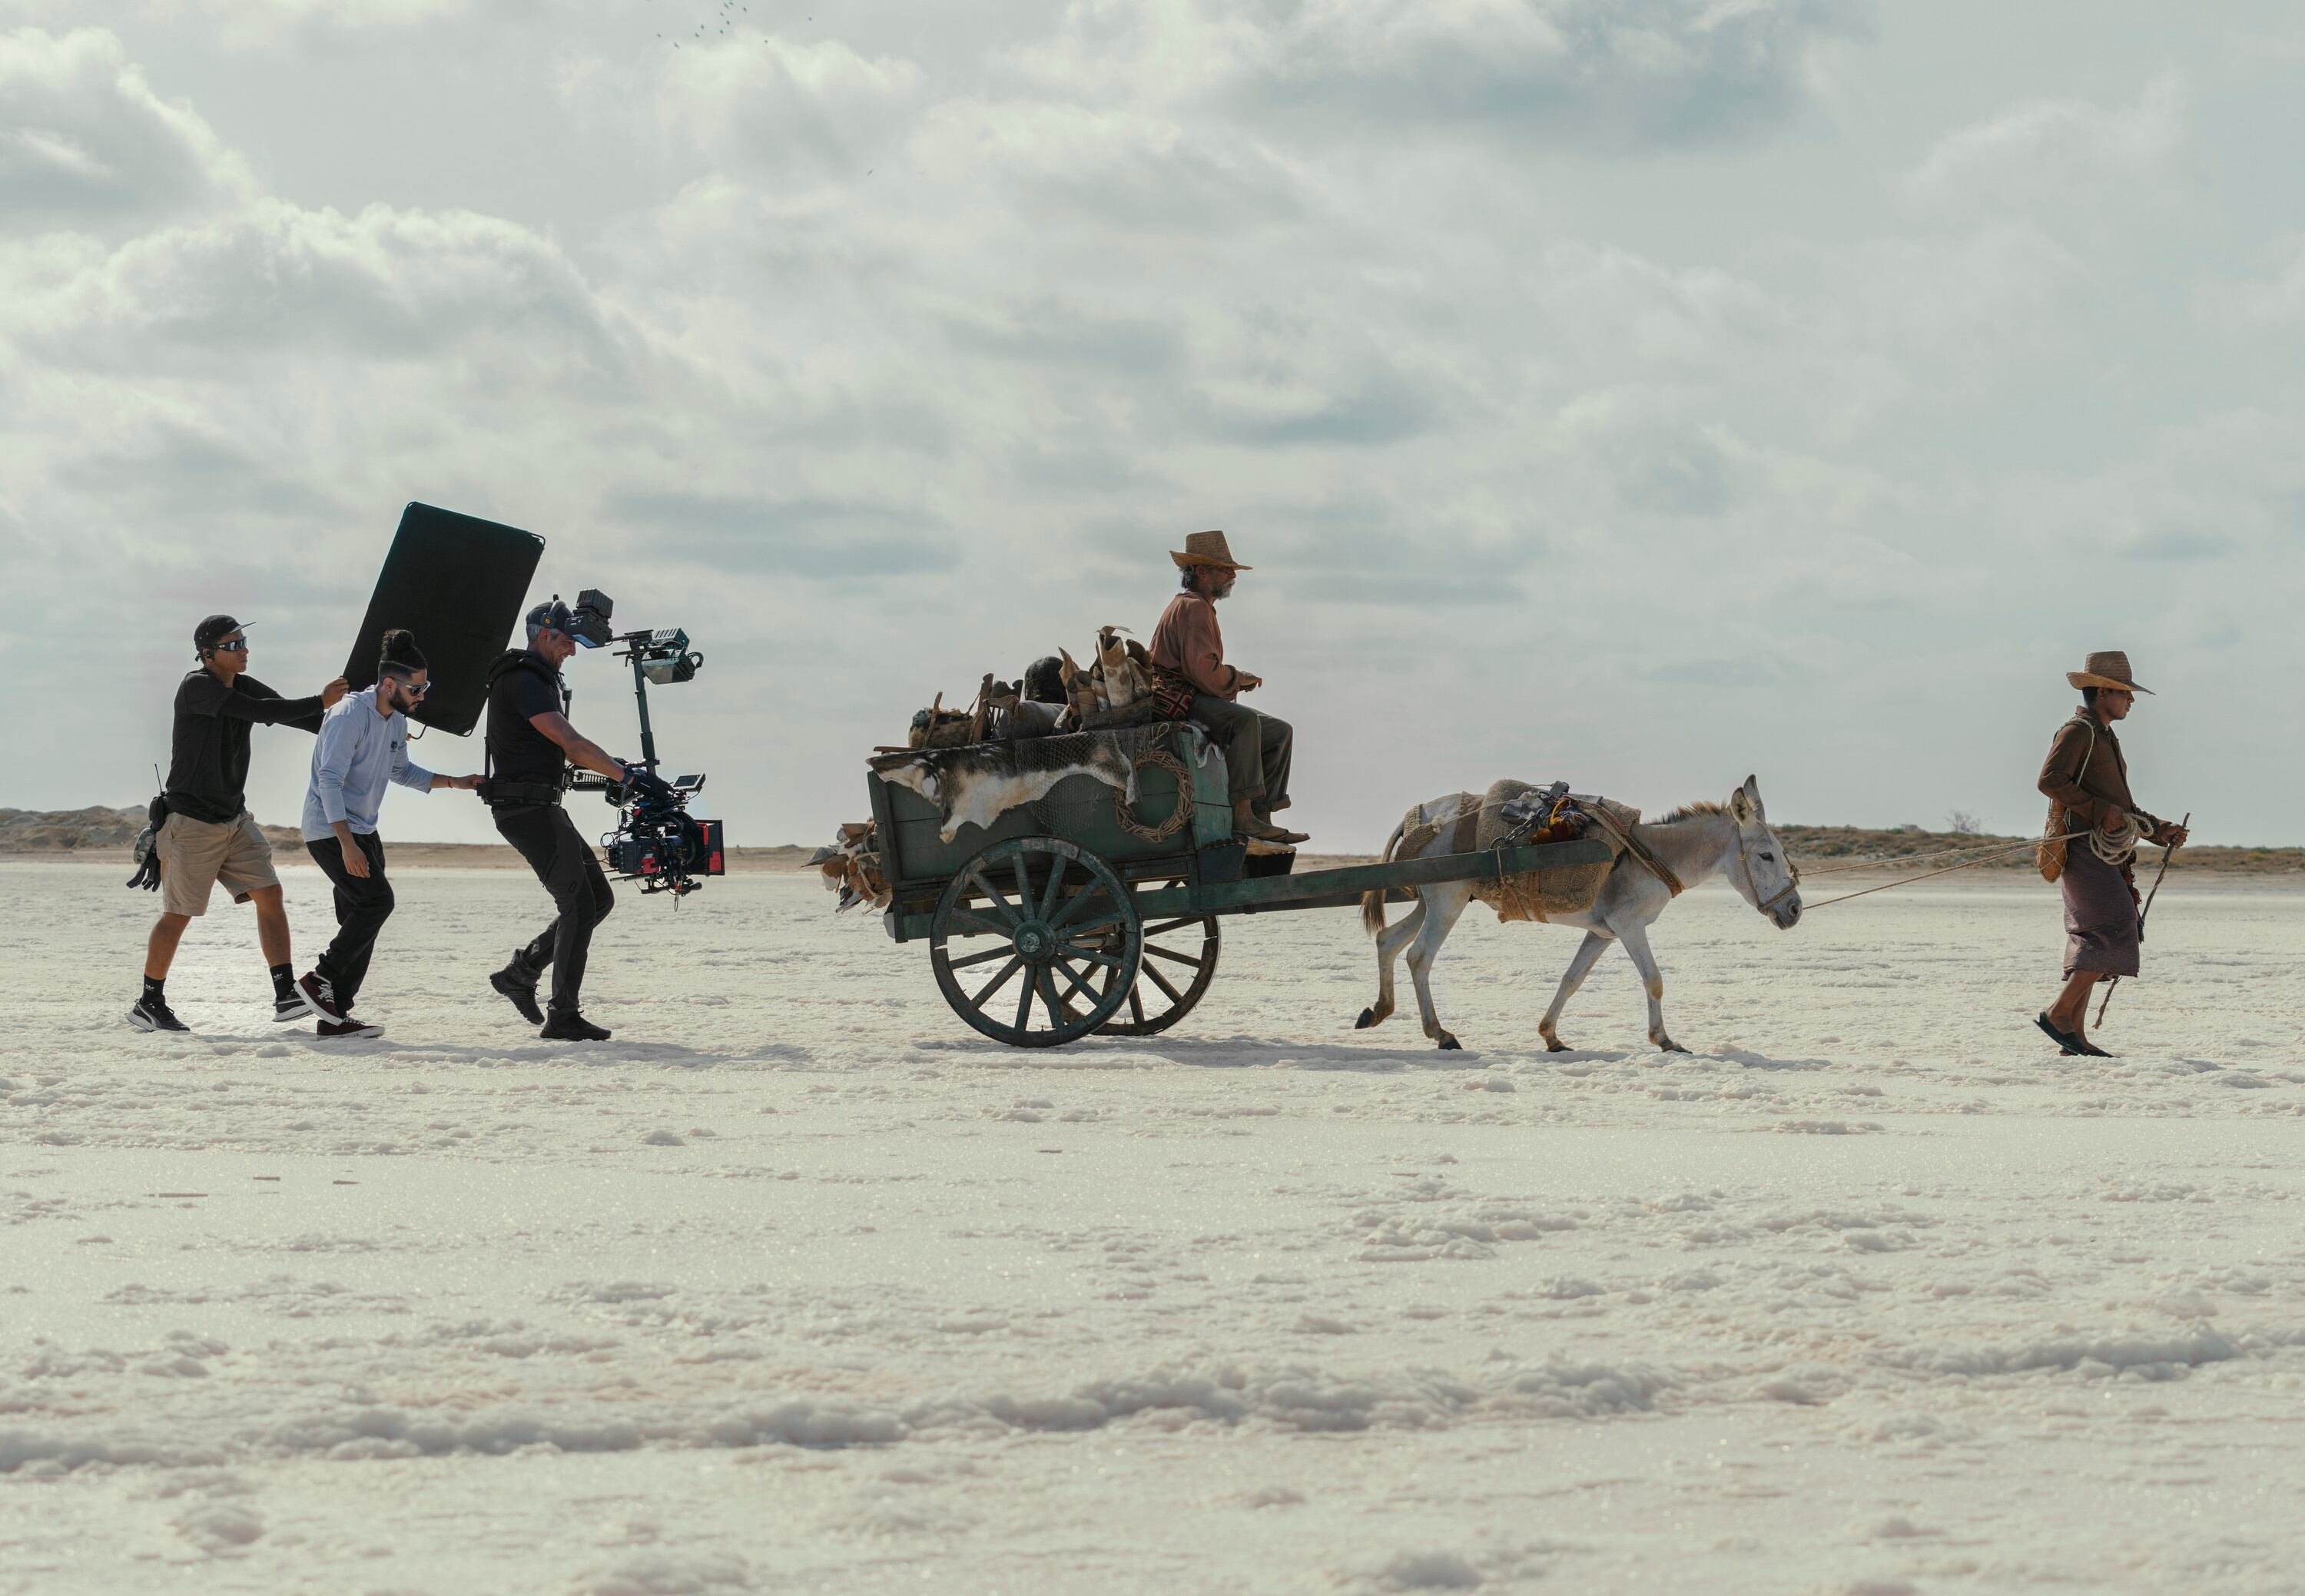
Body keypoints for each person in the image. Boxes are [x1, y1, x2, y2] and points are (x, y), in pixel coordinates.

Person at [129, 616, 349, 1033]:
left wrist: (366, 726)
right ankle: (149, 1002)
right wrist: (321, 700)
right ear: (208, 654)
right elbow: (262, 711)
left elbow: (296, 717)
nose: (244, 649)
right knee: (179, 915)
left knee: (270, 894)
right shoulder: (197, 687)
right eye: (233, 645)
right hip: (191, 823)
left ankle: (286, 994)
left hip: (234, 819)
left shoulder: (242, 684)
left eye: (244, 641)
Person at [479, 597, 662, 1041]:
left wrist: (616, 772)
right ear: (544, 635)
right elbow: (569, 742)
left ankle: (520, 974)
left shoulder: (539, 679)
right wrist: (630, 779)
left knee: (598, 900)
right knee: (577, 904)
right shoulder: (525, 680)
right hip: (525, 810)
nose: (573, 651)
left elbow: (563, 750)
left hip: (541, 806)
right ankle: (563, 1016)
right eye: (568, 642)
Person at [294, 629, 480, 1039]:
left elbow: (402, 772)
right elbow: (328, 780)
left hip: (364, 828)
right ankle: (317, 980)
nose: (422, 696)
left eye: (425, 686)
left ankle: (335, 1015)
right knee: (377, 902)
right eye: (416, 688)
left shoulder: (395, 722)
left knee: (360, 917)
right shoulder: (348, 716)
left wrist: (456, 782)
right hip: (331, 828)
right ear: (389, 684)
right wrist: (345, 844)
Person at [2035, 650, 2188, 1057]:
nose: (2130, 701)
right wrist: (2101, 813)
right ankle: (2057, 1014)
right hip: (2083, 849)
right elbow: (2050, 780)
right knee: (2115, 925)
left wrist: (2159, 830)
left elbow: (2121, 805)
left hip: (2104, 853)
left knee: (2097, 934)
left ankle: (2075, 1038)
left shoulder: (2103, 735)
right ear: (2102, 691)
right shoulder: (2078, 731)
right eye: (2124, 693)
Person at [1146, 530, 1308, 846]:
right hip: (1181, 699)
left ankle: (1263, 816)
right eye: (1224, 568)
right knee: (1244, 722)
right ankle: (1244, 817)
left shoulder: (1196, 606)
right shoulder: (1193, 608)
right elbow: (1202, 671)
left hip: (1195, 694)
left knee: (1278, 731)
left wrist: (1233, 678)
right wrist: (1237, 678)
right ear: (1201, 571)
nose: (1232, 575)